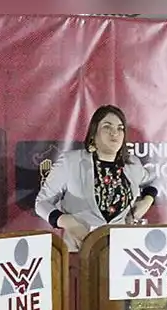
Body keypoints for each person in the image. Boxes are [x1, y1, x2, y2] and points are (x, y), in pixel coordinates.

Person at [34, 104, 158, 251]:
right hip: (79, 252)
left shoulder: (132, 164)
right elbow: (41, 203)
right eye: (107, 126)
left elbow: (152, 181)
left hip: (122, 252)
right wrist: (69, 223)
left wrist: (147, 201)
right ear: (94, 133)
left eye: (120, 128)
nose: (115, 133)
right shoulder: (71, 162)